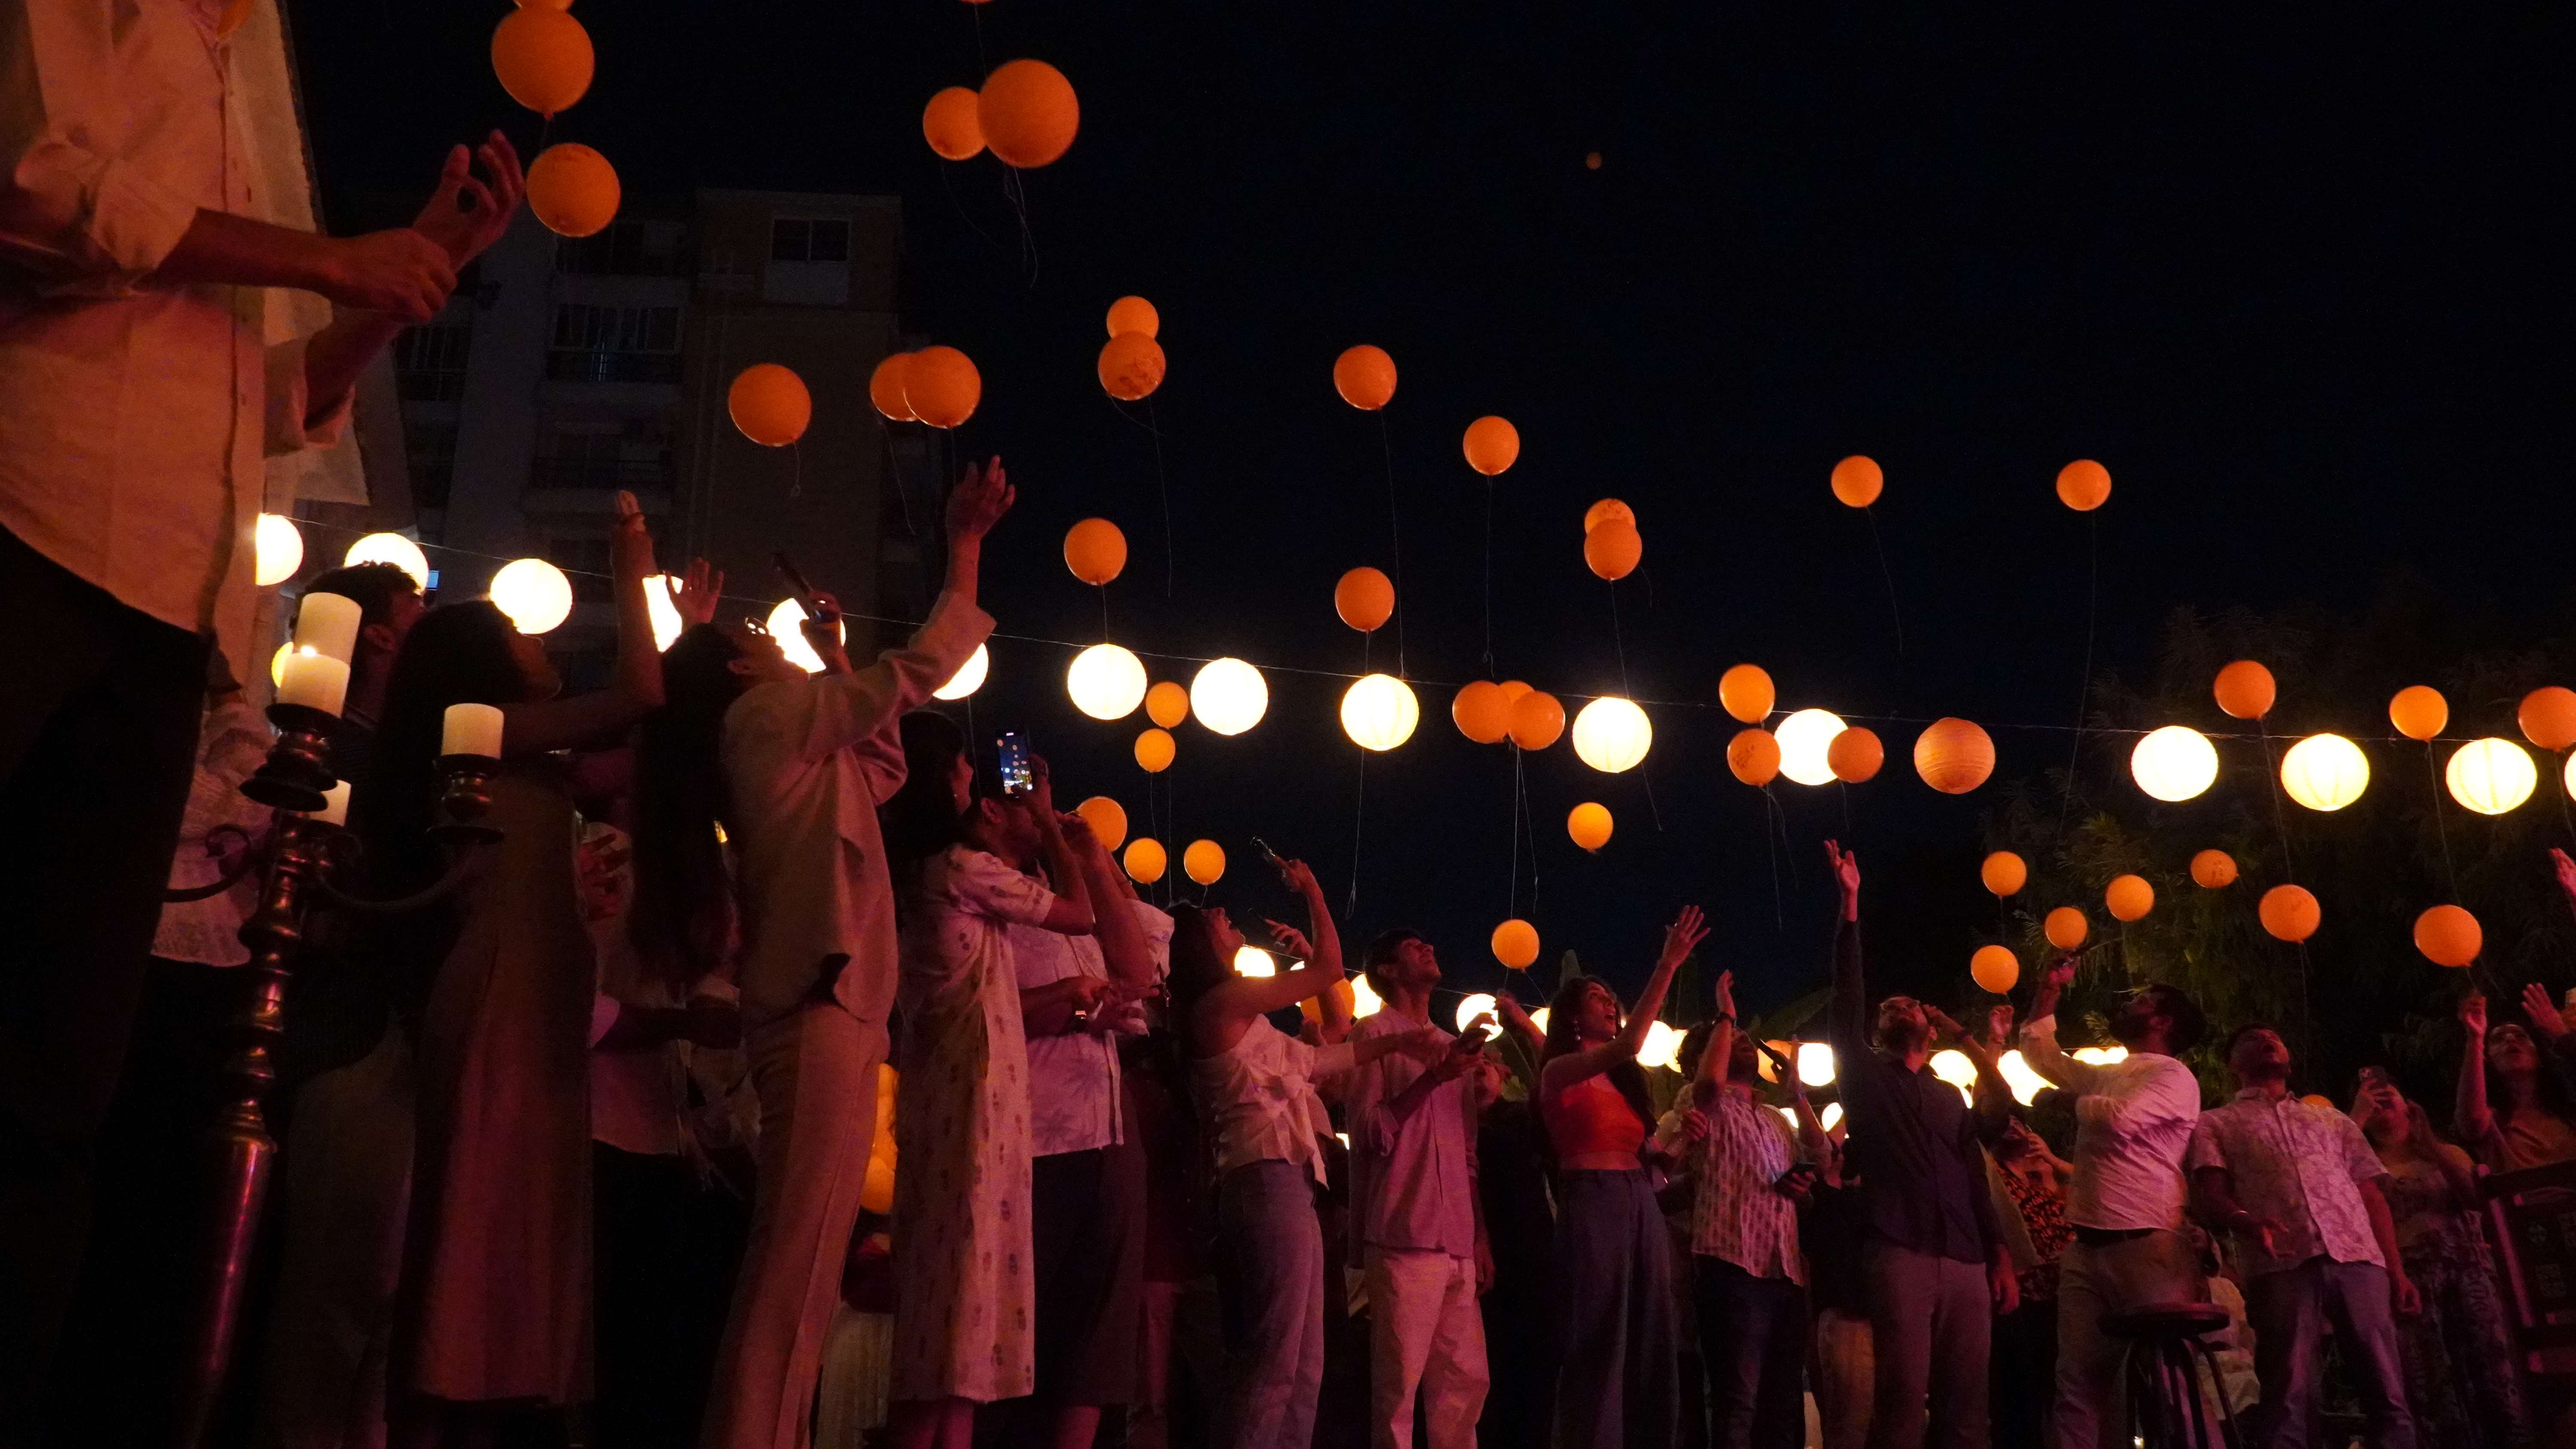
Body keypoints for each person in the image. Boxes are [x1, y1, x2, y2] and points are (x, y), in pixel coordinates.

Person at [0, 0, 522, 1392]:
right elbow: (41, 185)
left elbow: (263, 400)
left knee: (55, 1098)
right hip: (29, 523)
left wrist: (384, 294)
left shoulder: (249, 87)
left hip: (167, 604)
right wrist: (326, 254)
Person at [701, 460, 1009, 1449]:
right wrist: (963, 550)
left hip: (831, 1003)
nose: (771, 637)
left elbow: (878, 757)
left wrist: (830, 655)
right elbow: (911, 681)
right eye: (757, 640)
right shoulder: (757, 718)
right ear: (737, 672)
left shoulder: (787, 733)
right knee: (793, 1261)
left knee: (806, 1256)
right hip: (819, 1001)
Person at [358, 491, 665, 1442]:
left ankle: (486, 1390)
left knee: (515, 1209)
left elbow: (642, 748)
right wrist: (629, 563)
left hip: (538, 997)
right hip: (497, 991)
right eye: (515, 632)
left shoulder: (531, 753)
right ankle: (439, 1397)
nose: (538, 641)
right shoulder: (477, 723)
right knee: (479, 1201)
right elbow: (639, 698)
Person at [881, 736, 1110, 1449]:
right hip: (971, 1107)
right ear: (983, 804)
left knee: (964, 1323)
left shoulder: (939, 872)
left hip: (967, 1101)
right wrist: (1047, 822)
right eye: (956, 774)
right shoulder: (961, 867)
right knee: (955, 1312)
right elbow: (1081, 912)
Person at [1176, 856, 1447, 1449]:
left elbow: (1322, 1059)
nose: (1224, 913)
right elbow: (1328, 969)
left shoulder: (1247, 1021)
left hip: (1291, 1183)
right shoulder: (1222, 1006)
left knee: (1305, 1364)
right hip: (1262, 1180)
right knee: (1273, 1356)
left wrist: (1406, 1041)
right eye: (1210, 917)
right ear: (1196, 946)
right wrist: (1314, 891)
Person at [1819, 843, 2013, 1449]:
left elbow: (1997, 1118)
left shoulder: (1949, 1093)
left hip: (1965, 1257)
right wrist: (1850, 905)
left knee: (1968, 1412)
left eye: (1909, 1005)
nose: (1896, 1007)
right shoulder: (1867, 1078)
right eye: (1888, 1009)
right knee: (1902, 1403)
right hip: (1899, 1248)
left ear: (1929, 1028)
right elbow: (1847, 1005)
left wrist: (1999, 1255)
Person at [1001, 767, 1166, 1449]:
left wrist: (1094, 860)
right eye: (1026, 803)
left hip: (1106, 1122)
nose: (1047, 810)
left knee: (1099, 1326)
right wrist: (1070, 1005)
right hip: (1031, 1129)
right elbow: (980, 1012)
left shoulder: (1074, 906)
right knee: (1020, 1320)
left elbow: (1139, 976)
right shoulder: (982, 896)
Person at [2187, 1024, 2417, 1448]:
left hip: (2357, 1258)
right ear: (2233, 1064)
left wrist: (2396, 1271)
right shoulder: (2215, 1123)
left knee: (2386, 1385)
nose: (2266, 1041)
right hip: (2281, 1265)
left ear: (2289, 1055)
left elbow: (2369, 1192)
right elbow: (2212, 1197)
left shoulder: (2330, 1119)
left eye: (2274, 1036)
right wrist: (2248, 1221)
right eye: (2251, 1040)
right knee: (2286, 1393)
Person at [2017, 953, 2207, 1449]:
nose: (2130, 1005)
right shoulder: (2115, 1073)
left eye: (2141, 1001)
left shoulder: (2173, 1077)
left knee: (2172, 1383)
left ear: (2162, 1021)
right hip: (2086, 1246)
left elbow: (2120, 1118)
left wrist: (2065, 1100)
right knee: (2076, 1384)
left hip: (2149, 1244)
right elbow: (2042, 1055)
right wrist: (2050, 989)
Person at [1538, 904, 1706, 1449]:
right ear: (1570, 1017)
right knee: (1601, 1333)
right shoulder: (1559, 1071)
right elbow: (1630, 1043)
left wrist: (1681, 1142)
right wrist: (1667, 965)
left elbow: (1653, 1164)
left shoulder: (1627, 1085)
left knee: (1652, 1332)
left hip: (1638, 1201)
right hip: (1593, 1200)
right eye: (1597, 998)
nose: (1610, 1004)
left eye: (1612, 999)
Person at [1659, 970, 1821, 1449]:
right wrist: (1725, 1012)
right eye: (1733, 1039)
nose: (1745, 1044)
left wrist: (1797, 1096)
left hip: (1784, 1268)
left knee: (1782, 1398)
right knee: (1738, 1397)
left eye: (1747, 1039)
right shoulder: (1700, 1101)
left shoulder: (1773, 1117)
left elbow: (1822, 1157)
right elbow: (1709, 1085)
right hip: (1731, 1261)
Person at [1345, 929, 1493, 1449]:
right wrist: (1433, 1077)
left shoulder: (1455, 1048)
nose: (1429, 946)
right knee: (1398, 1390)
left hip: (1455, 1238)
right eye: (1413, 945)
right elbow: (1367, 1133)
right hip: (1403, 1232)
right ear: (1386, 969)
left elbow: (1467, 1153)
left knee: (1466, 1383)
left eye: (1429, 942)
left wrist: (1478, 1235)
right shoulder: (1372, 1034)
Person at [2353, 1067, 2531, 1449]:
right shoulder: (2361, 1168)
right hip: (2409, 1281)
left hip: (2467, 1275)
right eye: (2371, 1095)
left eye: (2390, 1093)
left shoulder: (2444, 1153)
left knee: (2491, 1373)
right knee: (2432, 1382)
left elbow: (2478, 1202)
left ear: (2410, 1106)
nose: (2381, 1096)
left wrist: (2430, 1143)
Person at [1987, 1117, 2074, 1449]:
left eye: (2019, 1124)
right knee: (2018, 1400)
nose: (2012, 1127)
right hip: (2018, 1299)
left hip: (2060, 1302)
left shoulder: (2050, 1188)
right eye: (2004, 1123)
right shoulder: (1993, 1178)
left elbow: (2096, 1186)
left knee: (2058, 1398)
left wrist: (2051, 1167)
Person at [2462, 982, 2576, 1172]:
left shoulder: (2568, 1108)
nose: (2510, 1039)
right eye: (2498, 1039)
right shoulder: (2492, 1120)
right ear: (2488, 1062)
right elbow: (2471, 1121)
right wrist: (2475, 1039)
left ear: (2539, 1057)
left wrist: (2560, 1035)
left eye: (2521, 1036)